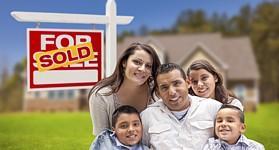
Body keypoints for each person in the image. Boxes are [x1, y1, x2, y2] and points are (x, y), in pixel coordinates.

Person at [140, 63, 222, 149]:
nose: (172, 92)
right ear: (158, 92)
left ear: (188, 83)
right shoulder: (147, 116)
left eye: (176, 84)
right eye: (164, 87)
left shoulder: (213, 108)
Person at [88, 42, 161, 135]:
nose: (142, 69)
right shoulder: (101, 96)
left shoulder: (158, 90)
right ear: (124, 62)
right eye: (137, 62)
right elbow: (102, 141)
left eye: (148, 66)